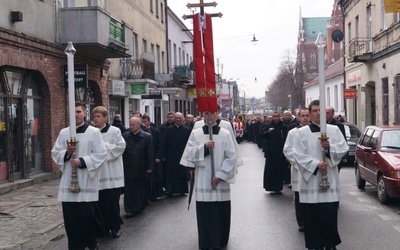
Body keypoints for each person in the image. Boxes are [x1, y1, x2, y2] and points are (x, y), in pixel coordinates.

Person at [291, 100, 349, 250]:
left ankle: (330, 244)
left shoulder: (334, 130)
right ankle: (315, 245)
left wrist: (330, 149)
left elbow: (343, 148)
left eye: (320, 111)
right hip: (310, 181)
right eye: (314, 110)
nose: (318, 113)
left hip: (329, 181)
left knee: (329, 216)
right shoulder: (301, 133)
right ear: (309, 114)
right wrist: (314, 164)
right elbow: (296, 154)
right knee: (312, 218)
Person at [51, 103, 107, 250]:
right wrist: (67, 153)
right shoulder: (64, 133)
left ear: (84, 113)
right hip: (69, 181)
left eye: (78, 112)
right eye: (73, 112)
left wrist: (82, 161)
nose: (76, 115)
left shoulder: (94, 132)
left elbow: (101, 154)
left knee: (87, 216)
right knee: (70, 219)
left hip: (86, 179)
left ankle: (91, 242)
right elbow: (55, 152)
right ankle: (75, 245)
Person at [185, 110, 237, 250]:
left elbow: (232, 157)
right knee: (206, 213)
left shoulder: (225, 134)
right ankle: (207, 242)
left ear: (217, 114)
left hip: (220, 181)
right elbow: (189, 154)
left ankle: (220, 240)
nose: (209, 116)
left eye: (212, 113)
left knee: (221, 213)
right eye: (206, 113)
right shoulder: (196, 134)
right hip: (203, 179)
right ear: (202, 115)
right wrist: (204, 148)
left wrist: (220, 175)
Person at [92, 106, 126, 239]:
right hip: (98, 173)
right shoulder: (92, 132)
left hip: (111, 173)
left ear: (105, 118)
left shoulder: (115, 131)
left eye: (98, 116)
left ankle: (115, 227)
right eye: (94, 116)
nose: (95, 119)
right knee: (99, 204)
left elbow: (121, 146)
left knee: (112, 203)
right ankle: (103, 228)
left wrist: (103, 150)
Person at [283, 107, 310, 232]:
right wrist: (299, 162)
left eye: (307, 115)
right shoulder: (293, 132)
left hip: (313, 169)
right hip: (298, 169)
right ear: (298, 117)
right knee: (299, 196)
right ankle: (302, 222)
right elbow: (287, 150)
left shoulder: (316, 131)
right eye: (302, 115)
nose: (305, 118)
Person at [122, 116, 153, 218]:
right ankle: (129, 209)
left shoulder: (146, 136)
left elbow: (149, 152)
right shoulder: (125, 136)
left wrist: (149, 167)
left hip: (141, 167)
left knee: (140, 189)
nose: (131, 127)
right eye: (130, 124)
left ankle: (138, 207)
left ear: (139, 125)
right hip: (128, 166)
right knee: (128, 189)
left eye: (133, 125)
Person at [163, 112, 192, 195]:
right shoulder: (169, 129)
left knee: (182, 174)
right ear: (174, 119)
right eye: (176, 118)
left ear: (183, 119)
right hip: (171, 155)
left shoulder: (187, 130)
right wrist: (164, 155)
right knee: (171, 174)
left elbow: (190, 143)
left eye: (180, 118)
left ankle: (182, 190)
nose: (178, 119)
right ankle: (171, 189)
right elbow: (165, 142)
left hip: (183, 154)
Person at [261, 111, 288, 194]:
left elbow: (286, 138)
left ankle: (278, 187)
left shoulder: (283, 126)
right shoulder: (268, 125)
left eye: (277, 116)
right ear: (272, 117)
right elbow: (262, 135)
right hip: (270, 152)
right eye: (274, 116)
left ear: (280, 117)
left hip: (280, 152)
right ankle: (270, 186)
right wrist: (268, 132)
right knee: (270, 171)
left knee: (279, 171)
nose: (276, 118)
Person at [142, 114, 164, 201]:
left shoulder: (155, 131)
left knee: (155, 178)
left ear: (149, 121)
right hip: (146, 158)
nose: (144, 123)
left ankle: (154, 194)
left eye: (145, 121)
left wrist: (158, 156)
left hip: (155, 157)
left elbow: (159, 144)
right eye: (142, 121)